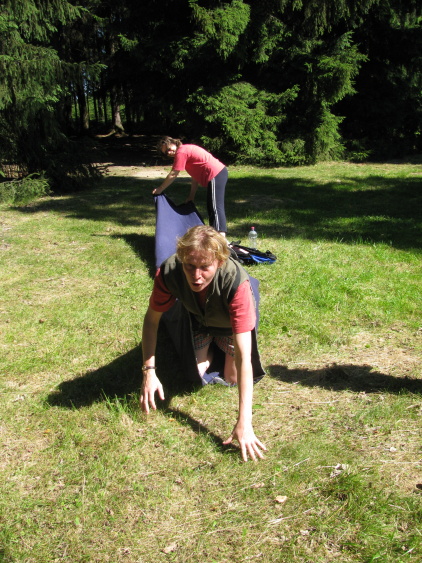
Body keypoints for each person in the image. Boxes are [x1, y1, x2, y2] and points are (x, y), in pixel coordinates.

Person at [140, 225, 267, 462]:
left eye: (204, 267)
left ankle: (220, 349)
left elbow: (244, 356)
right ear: (182, 258)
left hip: (228, 327)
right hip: (197, 320)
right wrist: (149, 370)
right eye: (190, 266)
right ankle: (209, 349)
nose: (196, 275)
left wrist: (245, 422)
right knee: (193, 375)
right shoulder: (169, 271)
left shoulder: (236, 283)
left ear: (219, 262)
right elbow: (152, 320)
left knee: (232, 377)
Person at [153, 136, 229, 236]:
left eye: (168, 148)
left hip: (216, 173)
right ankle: (216, 236)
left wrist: (160, 188)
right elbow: (195, 177)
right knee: (211, 206)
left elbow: (173, 174)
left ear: (173, 143)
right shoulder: (184, 151)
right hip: (217, 174)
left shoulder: (181, 151)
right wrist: (191, 196)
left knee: (215, 206)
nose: (169, 152)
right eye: (166, 152)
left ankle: (222, 238)